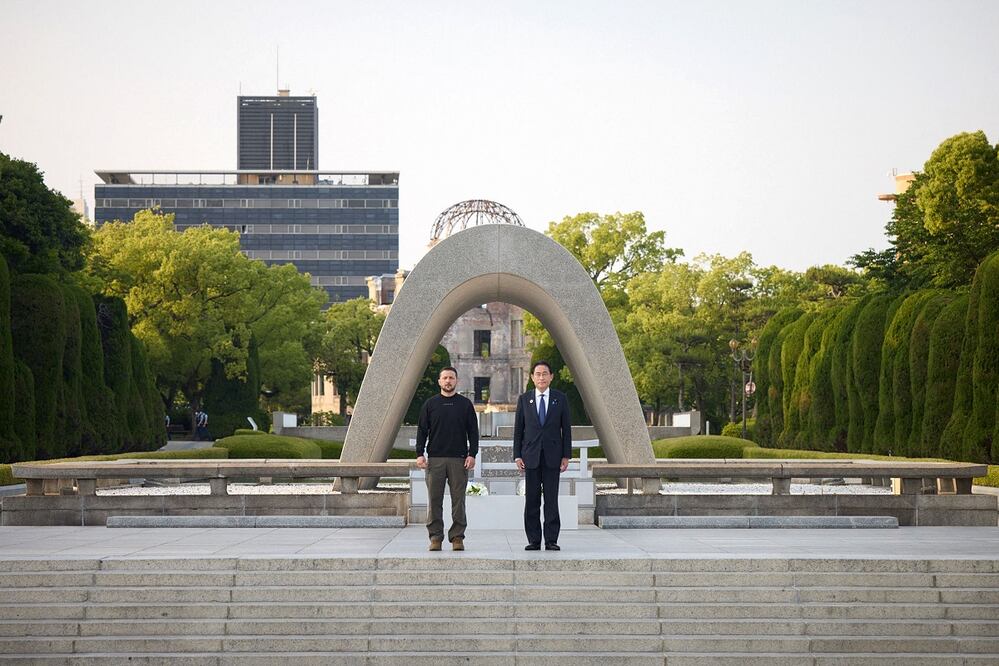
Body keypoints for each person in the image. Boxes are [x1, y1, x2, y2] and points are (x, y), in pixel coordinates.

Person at [416, 366, 479, 552]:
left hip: (459, 460)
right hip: (435, 459)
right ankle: (435, 537)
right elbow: (422, 430)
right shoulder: (430, 404)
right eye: (445, 378)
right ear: (439, 381)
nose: (448, 381)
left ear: (456, 381)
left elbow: (473, 432)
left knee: (458, 501)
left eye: (451, 378)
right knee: (434, 500)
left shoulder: (465, 405)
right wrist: (420, 453)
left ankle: (457, 537)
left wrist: (472, 454)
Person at [513, 360, 571, 551]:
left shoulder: (560, 399)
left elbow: (566, 429)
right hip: (530, 456)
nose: (541, 377)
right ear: (532, 377)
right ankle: (534, 540)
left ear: (551, 376)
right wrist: (517, 455)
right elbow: (518, 430)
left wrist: (566, 456)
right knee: (532, 500)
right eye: (538, 374)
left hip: (553, 456)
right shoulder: (524, 399)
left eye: (545, 373)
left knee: (551, 500)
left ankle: (551, 539)